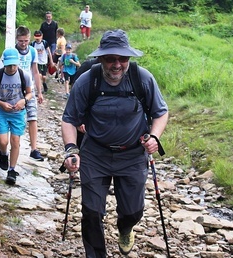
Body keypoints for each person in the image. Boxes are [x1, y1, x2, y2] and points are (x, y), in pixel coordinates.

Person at [61, 29, 169, 257]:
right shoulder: (87, 81)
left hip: (132, 155)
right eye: (111, 59)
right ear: (100, 59)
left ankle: (126, 228)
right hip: (95, 155)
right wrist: (71, 149)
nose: (117, 64)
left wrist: (155, 137)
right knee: (91, 212)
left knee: (133, 212)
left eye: (123, 58)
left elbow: (160, 112)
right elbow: (69, 119)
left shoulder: (143, 79)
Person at [0, 48, 33, 185]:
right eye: (9, 65)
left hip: (18, 113)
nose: (12, 68)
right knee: (3, 141)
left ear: (18, 63)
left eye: (14, 65)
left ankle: (12, 170)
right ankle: (3, 153)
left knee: (15, 141)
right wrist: (1, 103)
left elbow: (29, 93)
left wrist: (24, 100)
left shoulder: (24, 75)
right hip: (1, 112)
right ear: (4, 63)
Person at [14, 26, 45, 161]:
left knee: (33, 117)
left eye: (26, 40)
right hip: (14, 89)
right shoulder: (12, 51)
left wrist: (39, 92)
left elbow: (35, 71)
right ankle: (15, 146)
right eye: (21, 41)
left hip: (29, 89)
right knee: (16, 118)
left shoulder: (32, 51)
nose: (24, 43)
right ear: (17, 39)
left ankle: (34, 149)